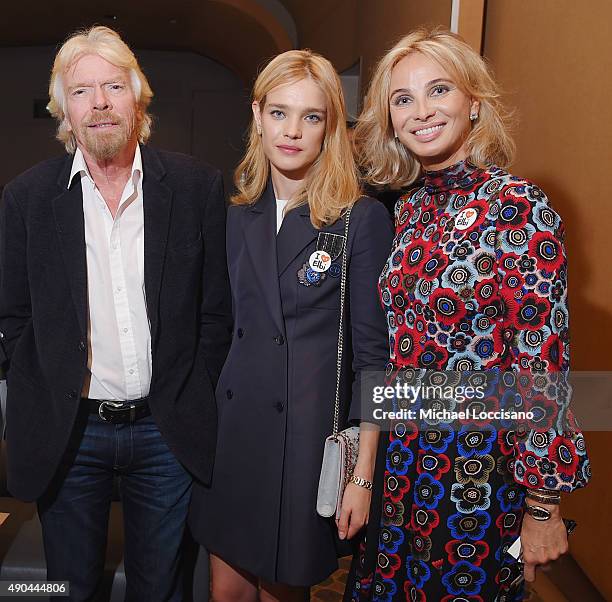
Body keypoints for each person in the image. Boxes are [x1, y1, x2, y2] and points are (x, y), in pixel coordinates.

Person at [345, 28, 590, 601]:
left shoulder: (519, 208)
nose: (421, 112)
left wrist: (544, 504)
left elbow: (540, 365)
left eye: (439, 91)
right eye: (403, 99)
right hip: (401, 465)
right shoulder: (405, 211)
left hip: (476, 474)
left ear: (473, 100)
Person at [0, 26, 232, 601]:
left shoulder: (195, 187)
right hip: (70, 433)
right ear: (64, 110)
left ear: (138, 98)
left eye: (113, 86)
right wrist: (45, 377)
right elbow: (12, 316)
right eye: (82, 91)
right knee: (67, 589)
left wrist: (189, 387)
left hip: (166, 431)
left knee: (162, 589)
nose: (99, 102)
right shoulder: (24, 200)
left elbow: (215, 313)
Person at [188, 49, 394, 601]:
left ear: (330, 126)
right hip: (232, 439)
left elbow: (375, 359)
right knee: (225, 591)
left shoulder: (361, 219)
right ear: (257, 115)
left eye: (311, 116)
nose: (292, 131)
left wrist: (363, 475)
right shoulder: (234, 214)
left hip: (303, 444)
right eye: (279, 112)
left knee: (283, 590)